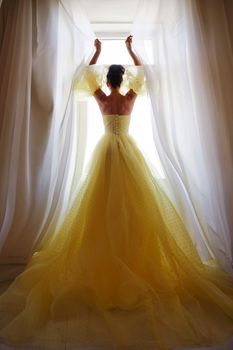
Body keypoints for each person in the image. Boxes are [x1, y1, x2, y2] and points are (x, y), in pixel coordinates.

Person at [1, 35, 233, 350]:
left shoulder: (101, 99)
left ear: (107, 80)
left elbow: (85, 74)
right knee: (133, 209)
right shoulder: (127, 100)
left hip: (107, 153)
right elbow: (147, 75)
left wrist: (95, 51)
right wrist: (131, 51)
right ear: (121, 79)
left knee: (103, 209)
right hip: (128, 153)